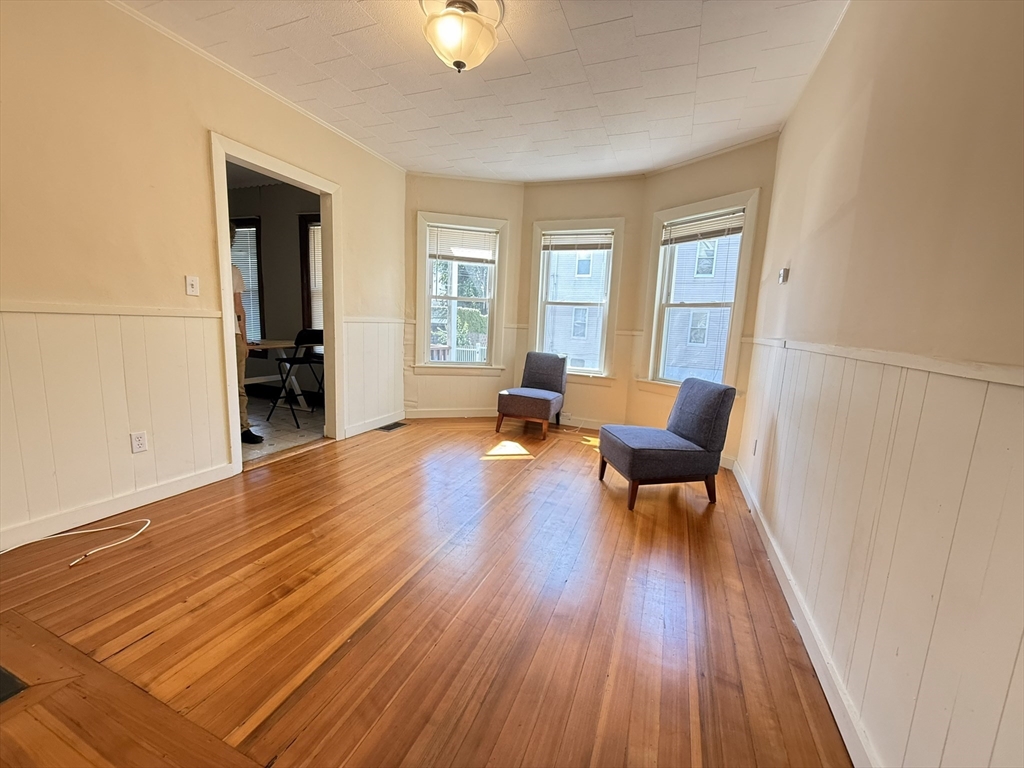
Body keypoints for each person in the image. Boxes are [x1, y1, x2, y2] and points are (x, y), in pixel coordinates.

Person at [230, 223, 263, 444]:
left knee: (239, 386)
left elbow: (238, 307)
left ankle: (243, 428)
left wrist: (244, 339)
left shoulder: (233, 271)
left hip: (234, 336)